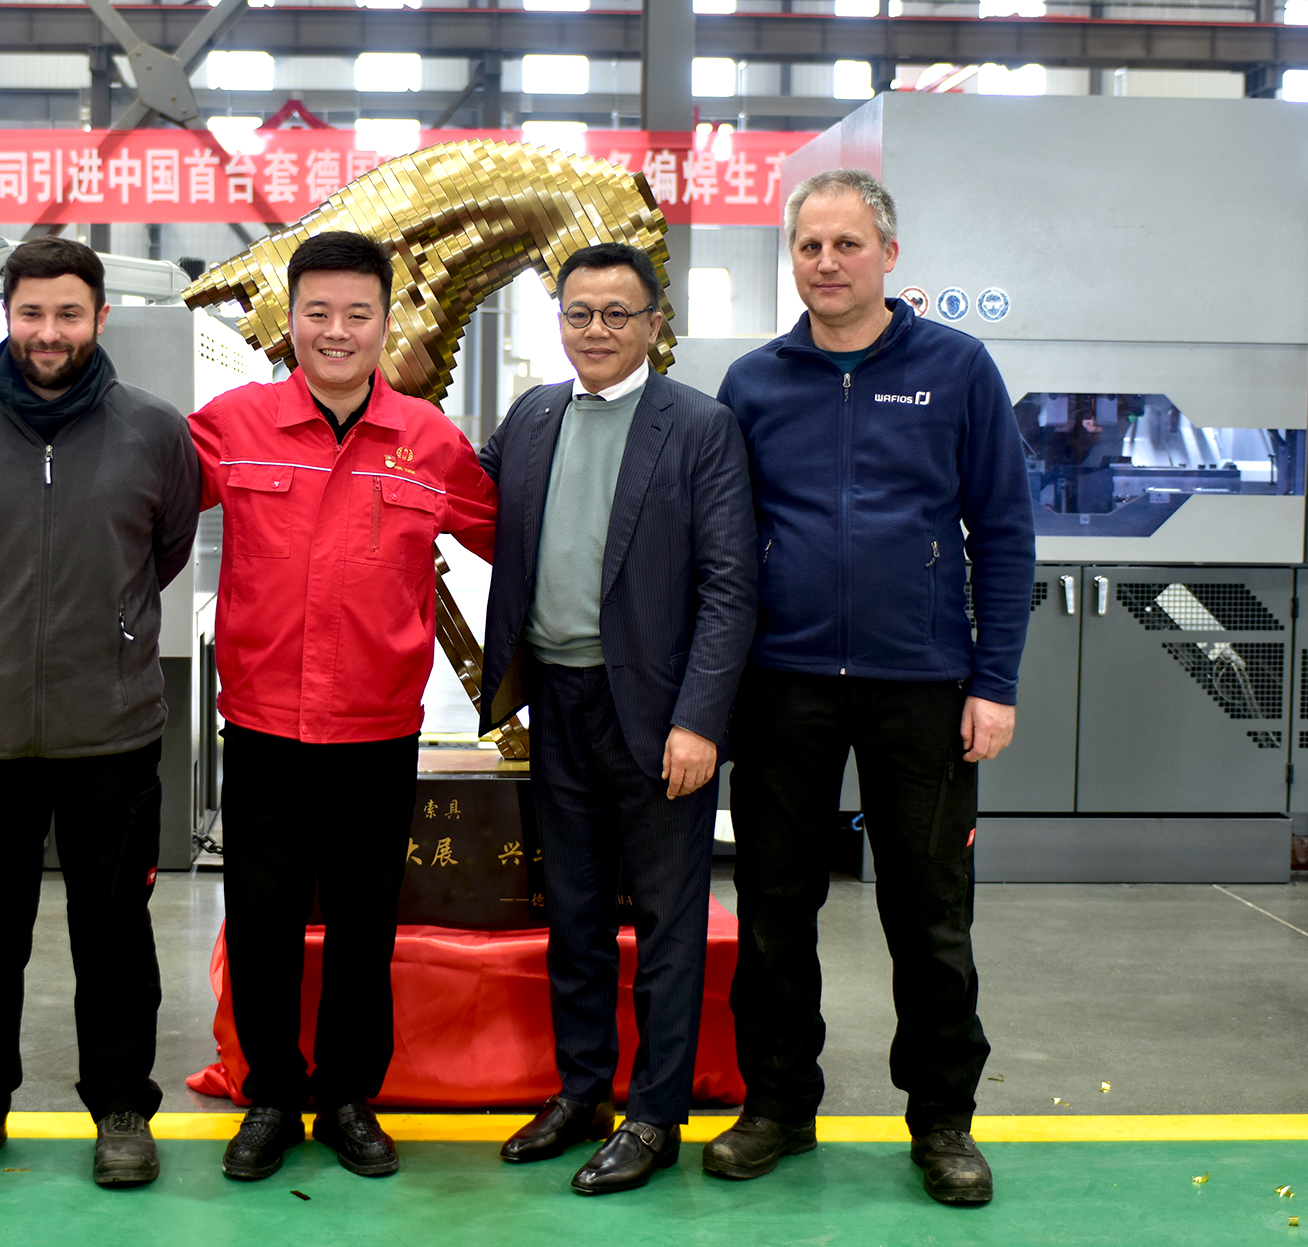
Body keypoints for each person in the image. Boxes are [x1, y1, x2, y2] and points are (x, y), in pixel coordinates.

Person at [708, 169, 1035, 1207]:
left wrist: (993, 679)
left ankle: (942, 1119)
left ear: (888, 255)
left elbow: (1005, 532)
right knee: (773, 907)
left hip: (923, 686)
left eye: (846, 244)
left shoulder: (956, 368)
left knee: (929, 912)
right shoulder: (753, 384)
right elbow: (721, 546)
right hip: (783, 686)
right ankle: (777, 1103)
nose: (826, 263)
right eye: (808, 245)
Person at [187, 230, 497, 1181]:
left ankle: (351, 1096)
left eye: (356, 313)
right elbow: (135, 501)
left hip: (376, 727)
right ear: (288, 320)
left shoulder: (427, 439)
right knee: (263, 921)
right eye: (316, 312)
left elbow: (513, 534)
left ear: (385, 321)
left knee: (365, 924)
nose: (335, 331)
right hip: (264, 725)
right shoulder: (232, 425)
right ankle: (272, 1096)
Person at [0, 237, 198, 1192]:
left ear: (100, 318)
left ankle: (121, 1109)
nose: (49, 332)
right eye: (32, 313)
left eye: (69, 313)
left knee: (114, 936)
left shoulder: (154, 432)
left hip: (112, 730)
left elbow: (165, 548)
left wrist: (109, 628)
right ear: (7, 316)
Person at [474, 243, 757, 1195]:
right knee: (576, 913)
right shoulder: (533, 416)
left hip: (656, 711)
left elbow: (729, 585)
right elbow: (460, 492)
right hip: (555, 700)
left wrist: (699, 719)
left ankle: (654, 1115)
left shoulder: (698, 426)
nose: (595, 329)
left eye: (616, 313)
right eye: (578, 312)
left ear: (652, 324)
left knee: (670, 922)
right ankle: (582, 1091)